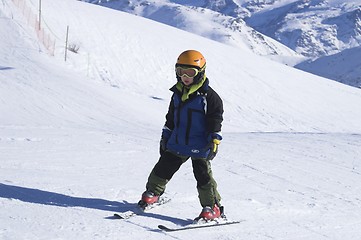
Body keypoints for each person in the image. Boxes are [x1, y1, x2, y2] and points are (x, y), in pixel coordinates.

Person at [138, 50, 224, 221]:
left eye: (190, 72)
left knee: (203, 176)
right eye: (180, 72)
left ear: (201, 72)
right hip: (177, 142)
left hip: (200, 144)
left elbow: (215, 117)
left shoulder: (209, 97)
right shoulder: (177, 93)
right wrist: (166, 135)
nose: (185, 76)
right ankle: (153, 192)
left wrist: (214, 138)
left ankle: (212, 206)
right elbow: (171, 117)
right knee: (163, 168)